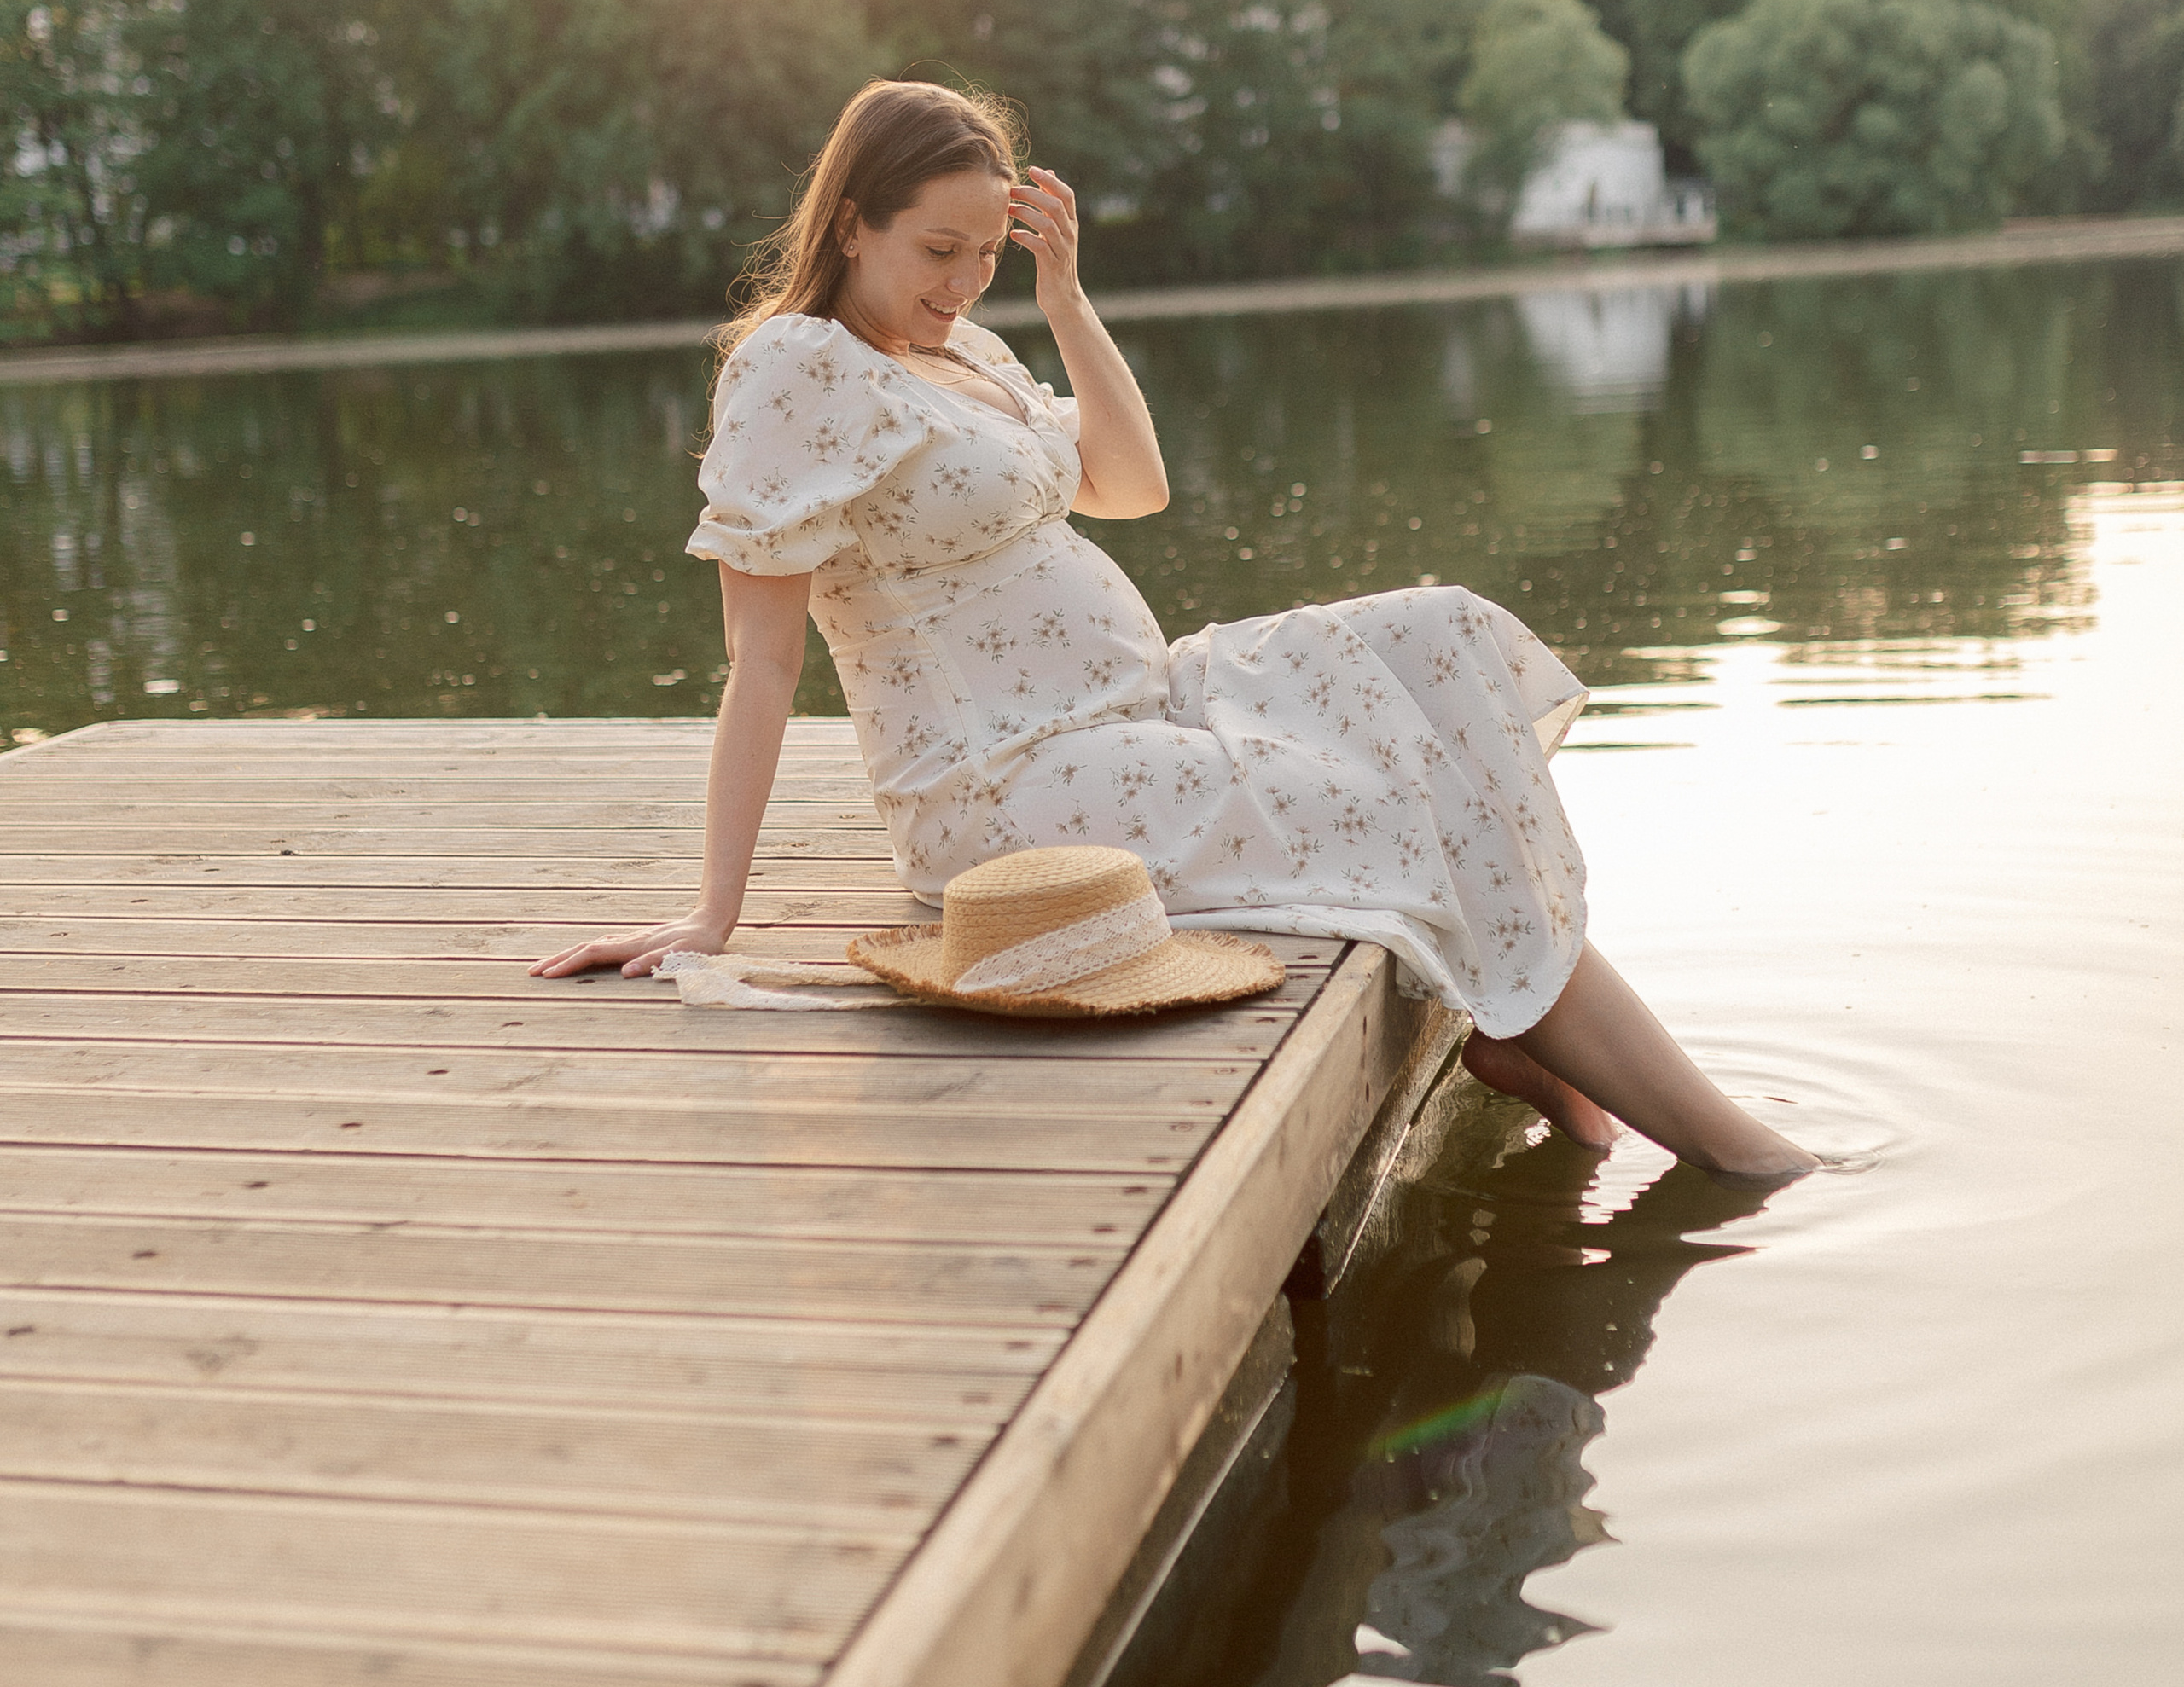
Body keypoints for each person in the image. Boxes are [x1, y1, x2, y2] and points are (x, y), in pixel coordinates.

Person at [537, 80, 1813, 1181]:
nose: (965, 280)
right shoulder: (795, 371)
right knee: (1380, 805)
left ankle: (1511, 1006)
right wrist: (712, 915)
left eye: (989, 251)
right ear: (851, 222)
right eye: (938, 250)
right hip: (1009, 786)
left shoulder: (969, 350)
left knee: (1433, 644)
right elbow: (761, 664)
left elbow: (1133, 486)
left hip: (1141, 708)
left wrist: (1065, 297)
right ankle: (1721, 1139)